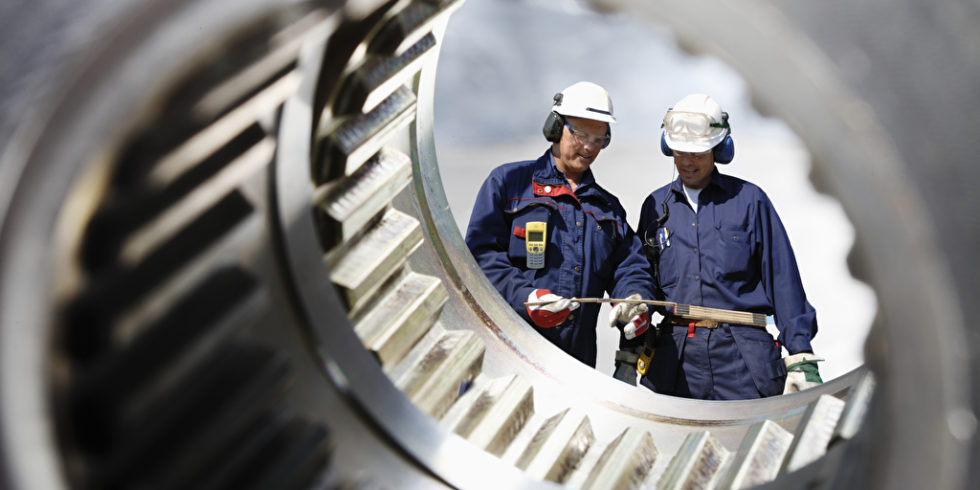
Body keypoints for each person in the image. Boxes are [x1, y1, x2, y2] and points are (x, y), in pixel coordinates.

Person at [636, 93, 824, 400]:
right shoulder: (655, 206)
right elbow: (641, 275)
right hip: (676, 361)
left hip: (743, 360)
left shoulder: (750, 201)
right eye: (680, 151)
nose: (686, 161)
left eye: (696, 153)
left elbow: (782, 279)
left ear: (719, 149)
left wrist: (801, 352)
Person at [465, 81, 655, 369]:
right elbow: (481, 257)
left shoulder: (608, 208)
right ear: (555, 127)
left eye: (599, 138)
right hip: (506, 354)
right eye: (580, 135)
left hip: (574, 367)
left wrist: (634, 299)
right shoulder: (509, 183)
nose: (590, 146)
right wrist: (526, 297)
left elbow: (630, 266)